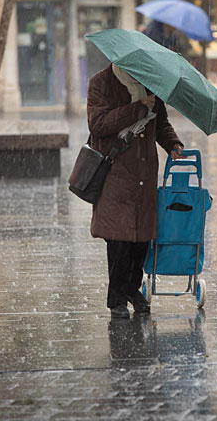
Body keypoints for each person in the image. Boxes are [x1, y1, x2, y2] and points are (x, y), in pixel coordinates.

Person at [87, 63, 184, 319]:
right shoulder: (101, 83)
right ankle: (116, 298)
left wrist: (172, 143)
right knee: (118, 239)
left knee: (141, 239)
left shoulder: (151, 81)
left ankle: (132, 288)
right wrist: (138, 108)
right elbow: (98, 124)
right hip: (116, 171)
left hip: (144, 172)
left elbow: (161, 123)